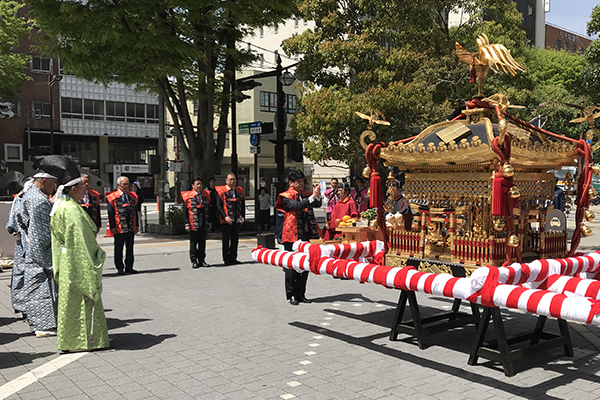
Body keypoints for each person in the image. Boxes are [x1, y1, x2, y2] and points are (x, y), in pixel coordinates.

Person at [50, 161, 109, 352]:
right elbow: (81, 243)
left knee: (70, 303)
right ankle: (84, 341)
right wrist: (93, 263)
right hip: (78, 262)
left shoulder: (61, 207)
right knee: (83, 301)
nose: (86, 190)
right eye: (83, 186)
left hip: (67, 261)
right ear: (73, 188)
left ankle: (70, 340)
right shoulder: (71, 210)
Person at [20, 156, 60, 337]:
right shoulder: (38, 200)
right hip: (39, 251)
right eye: (53, 184)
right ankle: (42, 326)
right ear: (43, 181)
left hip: (31, 249)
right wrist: (49, 258)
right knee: (41, 290)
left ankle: (41, 325)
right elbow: (41, 232)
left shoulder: (31, 196)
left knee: (37, 289)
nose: (54, 188)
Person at [276, 169, 322, 305]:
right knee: (291, 265)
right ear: (291, 183)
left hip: (307, 233)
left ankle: (301, 294)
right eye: (299, 182)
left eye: (303, 181)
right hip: (292, 234)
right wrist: (312, 197)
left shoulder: (306, 194)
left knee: (305, 265)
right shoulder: (285, 196)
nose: (301, 184)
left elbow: (317, 204)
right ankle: (291, 294)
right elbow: (296, 206)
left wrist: (317, 195)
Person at [107, 176, 139, 275]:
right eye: (124, 184)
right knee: (119, 248)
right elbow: (110, 213)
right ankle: (119, 267)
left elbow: (135, 211)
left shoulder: (132, 196)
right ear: (118, 185)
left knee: (130, 247)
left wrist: (136, 225)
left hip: (130, 226)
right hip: (119, 227)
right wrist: (112, 227)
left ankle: (129, 267)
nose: (126, 186)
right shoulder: (112, 197)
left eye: (127, 184)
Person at [182, 177, 211, 268]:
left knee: (202, 242)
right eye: (197, 184)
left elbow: (209, 209)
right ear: (193, 185)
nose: (199, 186)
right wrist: (186, 223)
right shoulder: (187, 196)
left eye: (200, 184)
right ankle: (194, 260)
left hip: (204, 222)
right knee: (193, 242)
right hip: (193, 222)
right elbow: (184, 211)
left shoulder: (205, 195)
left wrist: (209, 222)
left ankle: (202, 260)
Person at [216, 173, 245, 265]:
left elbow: (242, 204)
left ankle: (233, 258)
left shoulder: (239, 190)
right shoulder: (221, 191)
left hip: (236, 219)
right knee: (226, 240)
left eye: (234, 179)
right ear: (226, 181)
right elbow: (219, 206)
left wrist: (242, 216)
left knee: (235, 239)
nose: (232, 181)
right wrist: (225, 216)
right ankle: (226, 259)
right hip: (226, 220)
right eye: (230, 179)